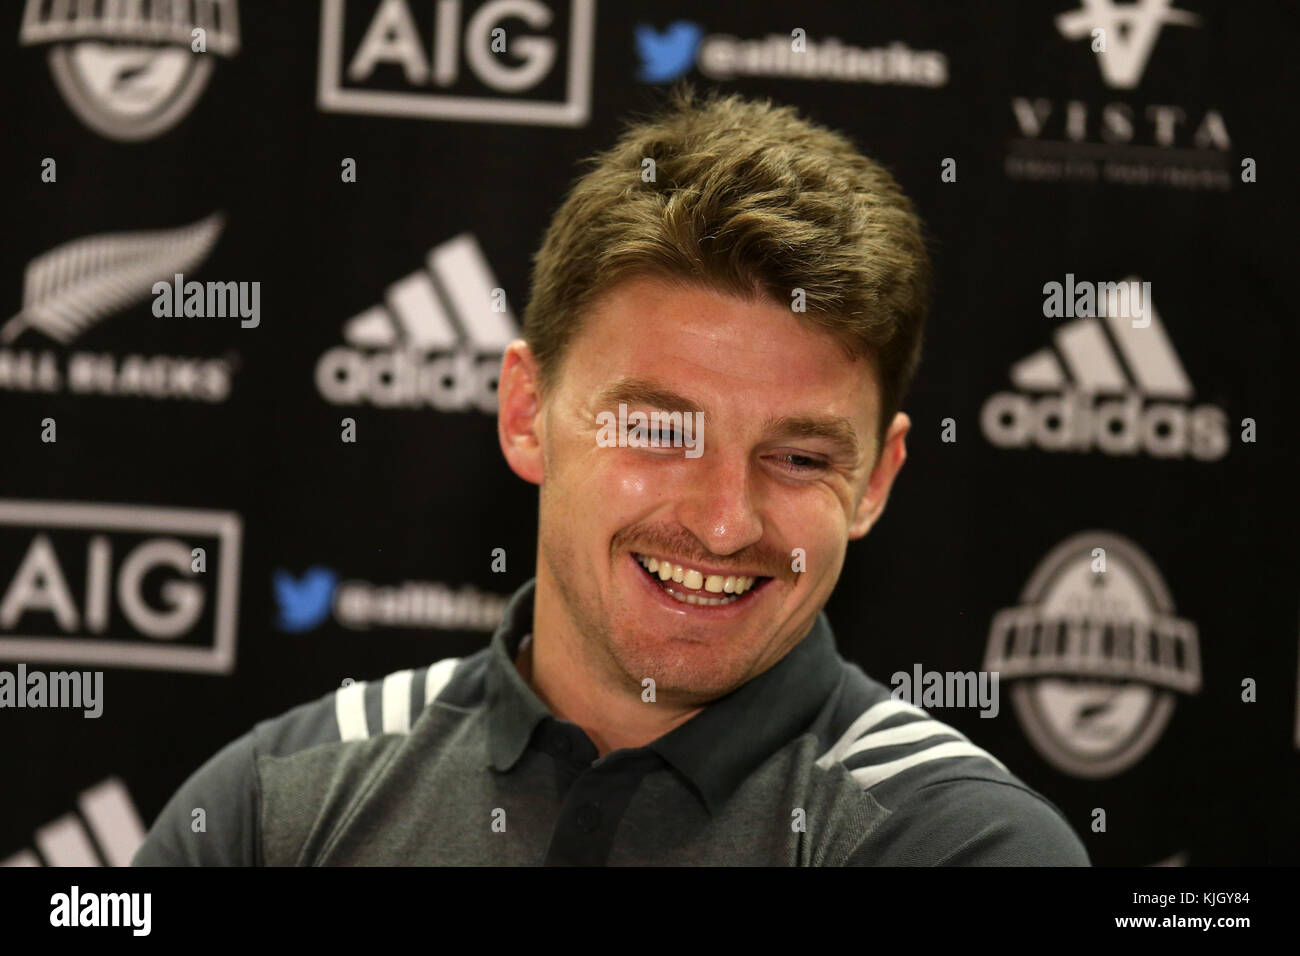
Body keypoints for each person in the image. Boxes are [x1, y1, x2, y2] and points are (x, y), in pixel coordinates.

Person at [133, 87, 1089, 866]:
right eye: (660, 429)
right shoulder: (276, 806)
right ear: (525, 415)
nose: (723, 524)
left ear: (876, 482)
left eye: (798, 458)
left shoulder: (958, 845)